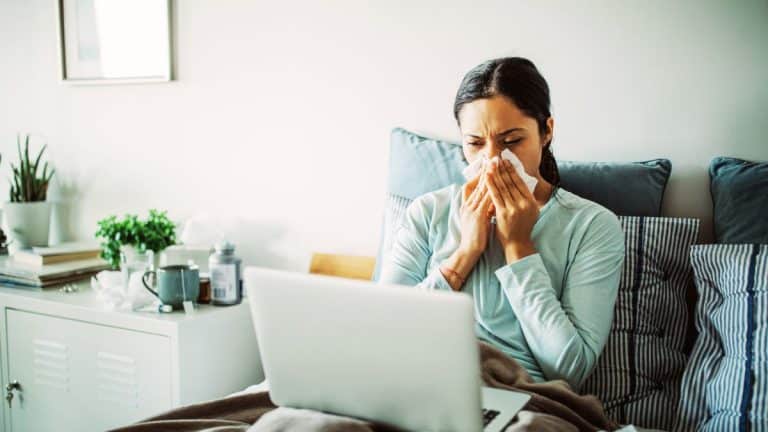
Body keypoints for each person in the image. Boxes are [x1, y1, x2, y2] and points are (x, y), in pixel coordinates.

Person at [378, 57, 626, 391]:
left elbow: (568, 370)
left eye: (511, 141)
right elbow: (382, 330)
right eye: (475, 143)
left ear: (546, 131)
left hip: (520, 398)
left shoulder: (591, 225)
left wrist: (518, 248)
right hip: (418, 383)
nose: (492, 160)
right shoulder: (428, 212)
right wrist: (464, 255)